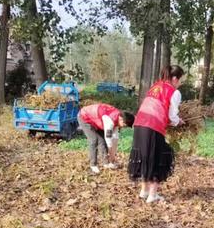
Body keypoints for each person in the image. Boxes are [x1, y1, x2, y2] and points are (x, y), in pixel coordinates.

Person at [128, 65, 185, 203]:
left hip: (140, 123)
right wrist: (179, 122)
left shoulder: (155, 86)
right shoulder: (174, 92)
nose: (180, 83)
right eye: (180, 80)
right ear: (175, 78)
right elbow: (172, 115)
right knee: (157, 157)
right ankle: (152, 196)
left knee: (144, 157)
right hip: (153, 126)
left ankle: (144, 191)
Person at [77, 102, 135, 174]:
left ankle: (106, 163)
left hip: (98, 120)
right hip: (84, 117)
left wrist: (112, 156)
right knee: (94, 140)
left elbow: (115, 138)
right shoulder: (110, 121)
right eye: (125, 125)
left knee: (102, 141)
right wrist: (110, 151)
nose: (123, 127)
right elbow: (108, 138)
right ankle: (93, 165)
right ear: (122, 120)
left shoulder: (117, 119)